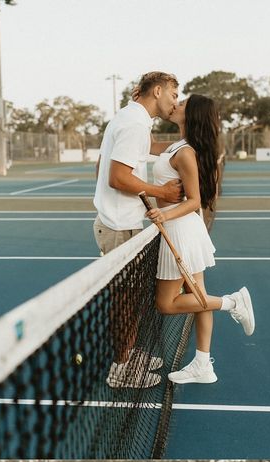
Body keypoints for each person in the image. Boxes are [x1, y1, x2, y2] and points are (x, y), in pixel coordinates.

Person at [144, 94, 255, 384]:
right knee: (197, 298)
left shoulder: (185, 153)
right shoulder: (176, 146)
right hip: (183, 229)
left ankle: (232, 303)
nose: (175, 105)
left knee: (167, 304)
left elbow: (194, 201)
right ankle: (203, 365)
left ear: (190, 115)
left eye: (181, 104)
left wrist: (164, 216)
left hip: (180, 230)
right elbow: (143, 147)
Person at [93, 72, 184, 388]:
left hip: (120, 222)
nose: (174, 101)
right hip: (119, 228)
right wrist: (163, 195)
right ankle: (121, 368)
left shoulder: (130, 119)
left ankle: (127, 354)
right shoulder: (134, 124)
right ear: (157, 91)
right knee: (125, 301)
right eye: (173, 94)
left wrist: (139, 203)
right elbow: (116, 177)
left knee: (130, 299)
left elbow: (102, 167)